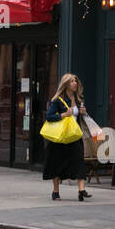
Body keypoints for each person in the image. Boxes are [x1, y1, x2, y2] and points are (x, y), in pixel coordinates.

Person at [43, 73, 91, 202]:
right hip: (60, 137)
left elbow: (78, 118)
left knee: (79, 161)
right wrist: (64, 114)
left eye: (76, 81)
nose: (75, 83)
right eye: (72, 82)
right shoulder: (58, 99)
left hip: (74, 136)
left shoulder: (78, 98)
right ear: (66, 84)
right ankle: (55, 191)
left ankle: (82, 190)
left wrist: (82, 113)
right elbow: (49, 116)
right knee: (57, 163)